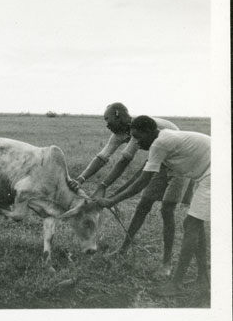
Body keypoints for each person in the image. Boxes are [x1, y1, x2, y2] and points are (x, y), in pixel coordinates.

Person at [69, 103, 194, 276]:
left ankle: (166, 264)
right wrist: (81, 178)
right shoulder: (120, 133)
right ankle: (123, 248)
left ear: (119, 115)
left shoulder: (138, 130)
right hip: (159, 158)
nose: (106, 124)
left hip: (180, 161)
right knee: (143, 204)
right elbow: (102, 157)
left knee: (167, 209)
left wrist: (105, 190)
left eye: (108, 119)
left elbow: (124, 161)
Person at [95, 115, 210, 296]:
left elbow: (142, 182)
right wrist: (113, 197)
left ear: (149, 132)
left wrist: (112, 200)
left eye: (138, 137)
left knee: (191, 224)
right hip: (205, 170)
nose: (136, 143)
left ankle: (176, 284)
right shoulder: (160, 139)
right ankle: (203, 280)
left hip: (214, 170)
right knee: (195, 225)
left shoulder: (159, 143)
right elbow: (140, 177)